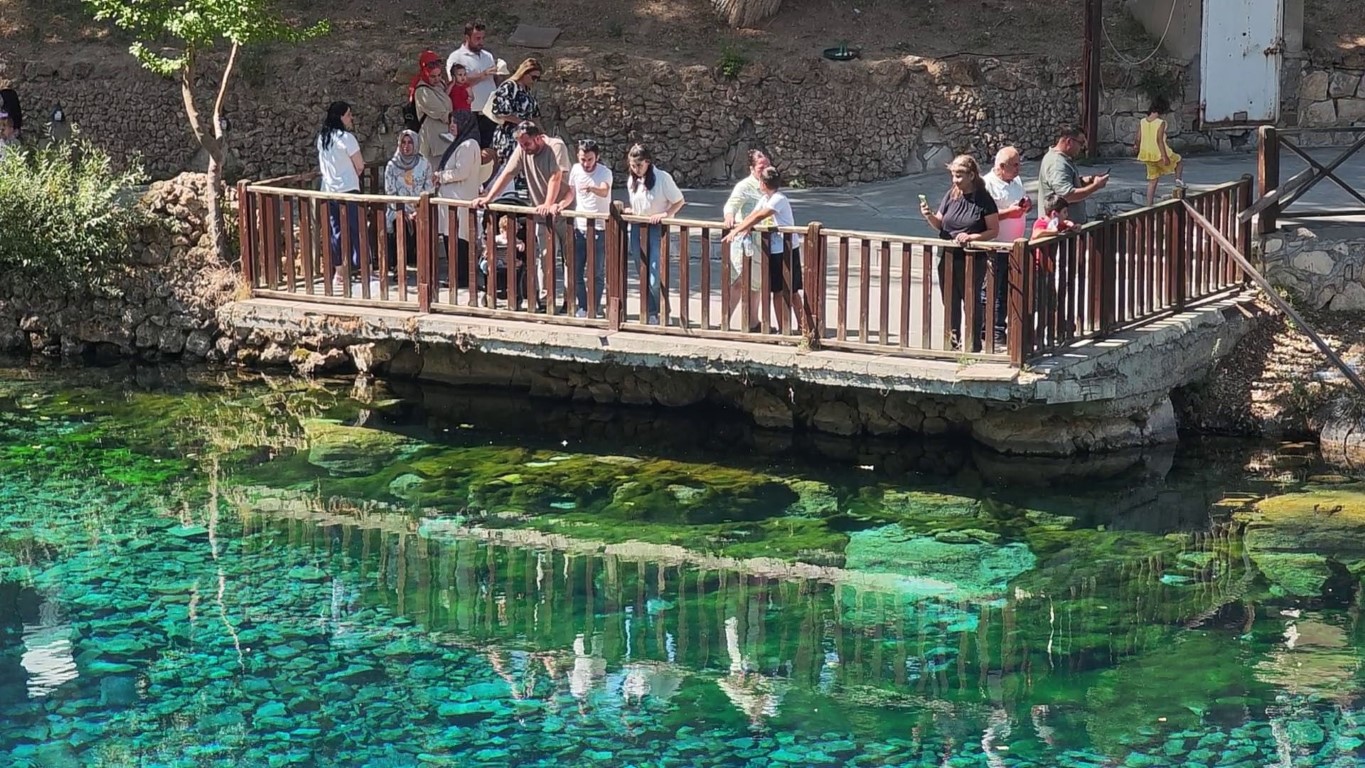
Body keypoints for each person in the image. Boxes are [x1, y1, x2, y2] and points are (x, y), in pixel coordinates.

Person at [473, 121, 572, 311]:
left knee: (569, 259)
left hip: (564, 211)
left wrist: (549, 203)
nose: (524, 148)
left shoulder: (555, 146)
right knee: (544, 256)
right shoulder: (522, 150)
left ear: (538, 138)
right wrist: (488, 197)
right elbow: (507, 174)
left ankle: (569, 300)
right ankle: (545, 301)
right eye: (520, 144)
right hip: (542, 213)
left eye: (527, 144)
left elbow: (556, 176)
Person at [920, 154, 1000, 352]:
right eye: (953, 175)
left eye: (959, 176)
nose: (955, 180)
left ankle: (973, 345)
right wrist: (929, 215)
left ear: (971, 175)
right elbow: (940, 224)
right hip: (947, 255)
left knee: (971, 301)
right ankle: (952, 344)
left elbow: (993, 231)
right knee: (950, 300)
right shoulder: (952, 194)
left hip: (972, 257)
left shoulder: (984, 199)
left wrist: (971, 237)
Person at [722, 166, 803, 333]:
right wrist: (741, 229)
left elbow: (761, 216)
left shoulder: (778, 199)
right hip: (774, 251)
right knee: (777, 292)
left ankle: (804, 327)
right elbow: (753, 214)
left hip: (787, 250)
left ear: (764, 184)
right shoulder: (765, 198)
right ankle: (784, 329)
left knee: (792, 291)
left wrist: (736, 231)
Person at [624, 144, 686, 325]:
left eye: (639, 165)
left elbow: (679, 201)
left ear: (648, 162)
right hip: (637, 227)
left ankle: (662, 307)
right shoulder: (632, 180)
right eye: (633, 166)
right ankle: (652, 310)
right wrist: (630, 211)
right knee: (641, 270)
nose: (636, 170)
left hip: (657, 228)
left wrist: (664, 215)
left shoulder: (662, 178)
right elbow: (638, 205)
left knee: (654, 275)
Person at [981, 146, 1030, 345]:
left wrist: (1025, 206)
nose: (1019, 168)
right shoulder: (987, 184)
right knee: (994, 291)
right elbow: (984, 216)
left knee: (1009, 290)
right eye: (1015, 165)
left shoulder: (1016, 180)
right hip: (995, 246)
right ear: (1001, 166)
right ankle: (992, 331)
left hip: (1014, 247)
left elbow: (1020, 201)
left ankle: (1002, 329)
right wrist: (1009, 213)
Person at [315, 101, 364, 285]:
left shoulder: (323, 138)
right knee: (356, 229)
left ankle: (340, 272)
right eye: (349, 114)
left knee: (336, 231)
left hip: (329, 191)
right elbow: (359, 164)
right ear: (341, 116)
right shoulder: (346, 138)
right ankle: (361, 268)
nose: (351, 118)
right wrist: (353, 172)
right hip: (348, 188)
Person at [434, 110, 483, 290]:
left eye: (455, 122)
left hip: (460, 199)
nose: (452, 126)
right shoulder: (459, 143)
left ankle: (461, 277)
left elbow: (461, 172)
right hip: (451, 200)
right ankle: (455, 276)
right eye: (451, 122)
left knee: (460, 239)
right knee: (451, 238)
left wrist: (440, 176)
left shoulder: (469, 145)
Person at [566, 139, 613, 318]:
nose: (586, 164)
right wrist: (561, 204)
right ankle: (583, 306)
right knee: (576, 270)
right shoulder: (576, 170)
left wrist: (592, 188)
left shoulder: (605, 172)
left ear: (597, 157)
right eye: (582, 159)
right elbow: (571, 192)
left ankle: (594, 307)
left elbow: (604, 191)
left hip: (599, 228)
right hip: (580, 226)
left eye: (590, 160)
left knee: (596, 272)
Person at [383, 129, 433, 275]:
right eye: (403, 142)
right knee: (399, 224)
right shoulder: (392, 166)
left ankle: (424, 267)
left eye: (410, 142)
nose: (406, 146)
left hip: (419, 209)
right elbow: (390, 192)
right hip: (397, 209)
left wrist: (418, 210)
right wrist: (402, 211)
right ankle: (399, 266)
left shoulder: (424, 164)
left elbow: (429, 189)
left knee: (423, 223)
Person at [1037, 125, 1107, 226]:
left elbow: (1067, 183)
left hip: (1067, 229)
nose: (1083, 147)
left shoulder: (1061, 159)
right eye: (1081, 143)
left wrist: (1088, 180)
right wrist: (1095, 186)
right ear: (1069, 142)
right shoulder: (1057, 163)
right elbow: (1067, 195)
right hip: (1061, 232)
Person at [446, 20, 500, 149]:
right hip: (469, 113)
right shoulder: (456, 57)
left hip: (488, 111)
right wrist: (483, 74)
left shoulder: (488, 56)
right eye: (477, 38)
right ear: (467, 37)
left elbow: (493, 80)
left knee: (487, 150)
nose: (481, 41)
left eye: (482, 38)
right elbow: (457, 82)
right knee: (469, 148)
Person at [1030, 193, 1078, 339]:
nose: (1066, 215)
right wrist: (1051, 232)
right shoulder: (1042, 222)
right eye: (1064, 212)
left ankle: (1052, 329)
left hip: (1048, 269)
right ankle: (1035, 334)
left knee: (1051, 301)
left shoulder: (1057, 223)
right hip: (1038, 268)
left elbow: (1066, 225)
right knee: (1041, 302)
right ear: (1054, 213)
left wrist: (1072, 226)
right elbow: (1036, 234)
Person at [488, 58, 543, 170]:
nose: (535, 81)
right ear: (524, 73)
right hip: (509, 136)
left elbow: (535, 114)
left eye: (538, 78)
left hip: (526, 136)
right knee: (509, 169)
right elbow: (500, 112)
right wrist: (522, 122)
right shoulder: (509, 87)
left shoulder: (527, 90)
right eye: (533, 77)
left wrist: (541, 132)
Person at [1136, 96, 1187, 205]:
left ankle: (1149, 204)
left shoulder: (1142, 121)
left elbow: (1138, 138)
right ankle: (1178, 181)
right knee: (1179, 162)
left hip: (1146, 154)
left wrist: (1136, 146)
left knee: (1152, 180)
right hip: (1159, 153)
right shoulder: (1160, 123)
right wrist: (1164, 156)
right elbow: (1159, 140)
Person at [411, 50, 451, 171]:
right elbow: (441, 113)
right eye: (433, 76)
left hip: (445, 140)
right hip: (433, 143)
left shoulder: (440, 85)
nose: (437, 79)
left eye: (439, 75)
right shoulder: (422, 91)